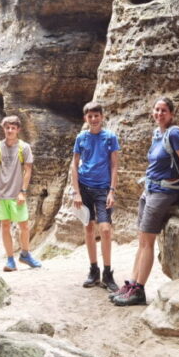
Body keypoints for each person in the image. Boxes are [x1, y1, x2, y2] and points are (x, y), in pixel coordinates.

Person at [112, 96, 179, 306]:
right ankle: (131, 284)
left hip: (163, 192)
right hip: (149, 190)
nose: (159, 114)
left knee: (148, 242)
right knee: (142, 241)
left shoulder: (175, 134)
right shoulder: (157, 134)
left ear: (171, 114)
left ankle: (139, 290)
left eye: (164, 111)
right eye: (157, 110)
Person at [70, 102, 121, 292]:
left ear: (102, 116)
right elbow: (74, 165)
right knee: (89, 227)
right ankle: (94, 270)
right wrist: (76, 192)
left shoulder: (110, 138)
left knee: (106, 229)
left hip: (103, 189)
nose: (93, 119)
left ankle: (108, 273)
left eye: (96, 116)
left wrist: (112, 191)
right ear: (86, 118)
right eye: (90, 116)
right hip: (84, 188)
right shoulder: (81, 138)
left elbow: (114, 165)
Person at [0, 115, 42, 271]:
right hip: (1, 194)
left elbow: (28, 169)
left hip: (17, 194)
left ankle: (25, 254)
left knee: (24, 225)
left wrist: (22, 191)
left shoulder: (23, 147)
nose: (10, 130)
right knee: (5, 226)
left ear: (18, 130)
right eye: (7, 127)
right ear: (3, 128)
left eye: (13, 128)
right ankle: (10, 260)